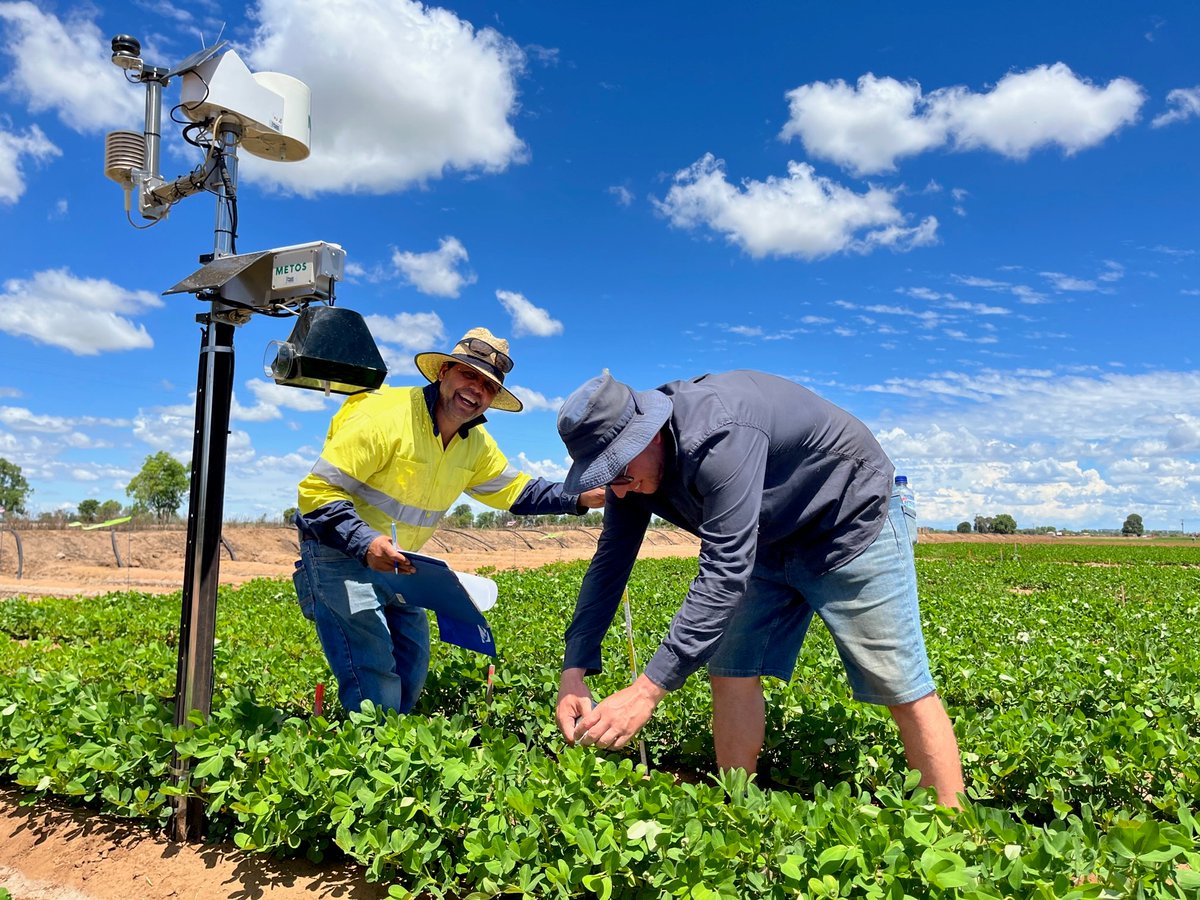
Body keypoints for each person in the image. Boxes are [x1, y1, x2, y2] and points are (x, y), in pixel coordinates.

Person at [553, 370, 964, 805]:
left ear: (649, 436)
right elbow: (612, 560)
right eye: (605, 476)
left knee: (898, 683)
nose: (619, 487)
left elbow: (725, 570)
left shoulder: (720, 434)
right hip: (768, 534)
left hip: (850, 519)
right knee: (730, 668)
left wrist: (645, 692)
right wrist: (574, 669)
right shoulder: (628, 478)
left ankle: (951, 831)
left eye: (620, 469)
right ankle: (739, 811)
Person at [294, 327, 605, 714]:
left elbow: (518, 491)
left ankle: (388, 747)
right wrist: (365, 542)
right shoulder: (383, 415)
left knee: (413, 659)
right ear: (444, 372)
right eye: (468, 375)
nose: (476, 390)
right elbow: (317, 493)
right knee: (372, 669)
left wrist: (581, 497)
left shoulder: (474, 445)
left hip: (400, 561)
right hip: (339, 553)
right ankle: (369, 752)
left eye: (488, 386)